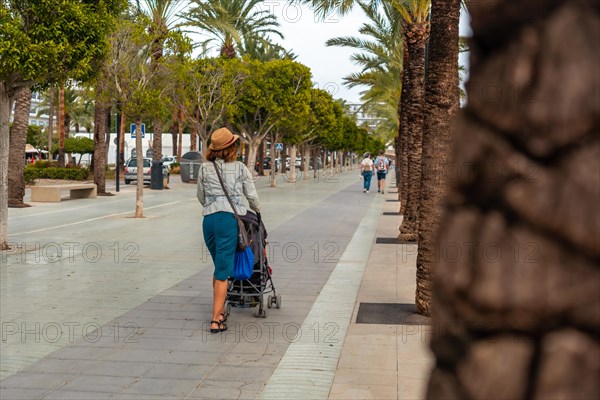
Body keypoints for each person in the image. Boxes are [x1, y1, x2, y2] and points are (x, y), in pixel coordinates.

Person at [197, 127, 261, 333]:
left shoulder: (205, 168)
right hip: (228, 220)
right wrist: (257, 211)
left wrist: (212, 206)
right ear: (232, 147)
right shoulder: (240, 168)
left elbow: (200, 196)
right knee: (224, 271)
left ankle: (220, 308)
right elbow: (251, 195)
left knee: (219, 265)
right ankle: (216, 319)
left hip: (209, 220)